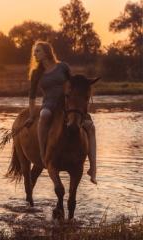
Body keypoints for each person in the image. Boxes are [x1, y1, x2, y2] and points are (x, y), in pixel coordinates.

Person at [24, 41, 97, 184]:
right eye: (34, 51)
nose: (35, 54)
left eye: (38, 51)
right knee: (44, 115)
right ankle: (42, 153)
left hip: (67, 102)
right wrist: (32, 115)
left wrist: (78, 101)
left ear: (47, 52)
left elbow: (73, 83)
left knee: (90, 126)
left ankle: (93, 167)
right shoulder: (36, 73)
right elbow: (32, 96)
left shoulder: (63, 67)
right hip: (50, 102)